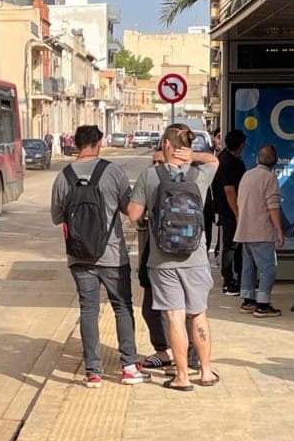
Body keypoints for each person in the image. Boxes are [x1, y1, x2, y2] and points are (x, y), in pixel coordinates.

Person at [51, 125, 149, 389]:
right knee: (122, 307)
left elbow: (56, 217)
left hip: (79, 256)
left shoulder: (63, 176)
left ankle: (93, 371)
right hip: (113, 255)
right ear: (98, 143)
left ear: (75, 144)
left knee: (88, 310)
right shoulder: (113, 172)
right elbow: (130, 211)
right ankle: (129, 367)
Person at [127, 124, 220, 391]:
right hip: (197, 256)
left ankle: (181, 376)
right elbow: (214, 158)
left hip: (163, 259)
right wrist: (194, 157)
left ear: (167, 144)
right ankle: (205, 372)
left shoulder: (150, 176)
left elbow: (133, 214)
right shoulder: (198, 173)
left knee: (175, 317)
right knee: (198, 315)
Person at [138, 148, 199, 372]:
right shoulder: (192, 179)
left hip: (168, 256)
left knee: (174, 312)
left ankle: (174, 355)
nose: (155, 167)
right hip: (159, 249)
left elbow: (133, 213)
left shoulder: (186, 178)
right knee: (153, 306)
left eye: (159, 162)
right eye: (152, 162)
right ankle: (172, 353)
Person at [235, 144, 284, 317]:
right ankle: (263, 305)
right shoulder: (269, 178)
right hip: (261, 230)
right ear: (275, 162)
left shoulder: (247, 175)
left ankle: (248, 301)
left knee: (248, 267)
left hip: (244, 229)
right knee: (268, 267)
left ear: (257, 158)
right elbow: (272, 206)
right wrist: (279, 230)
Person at [213, 130, 247, 295]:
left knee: (236, 245)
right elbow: (229, 191)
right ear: (241, 144)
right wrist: (237, 213)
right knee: (232, 245)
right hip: (230, 210)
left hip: (228, 209)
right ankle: (228, 281)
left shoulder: (225, 157)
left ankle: (239, 277)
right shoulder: (229, 162)